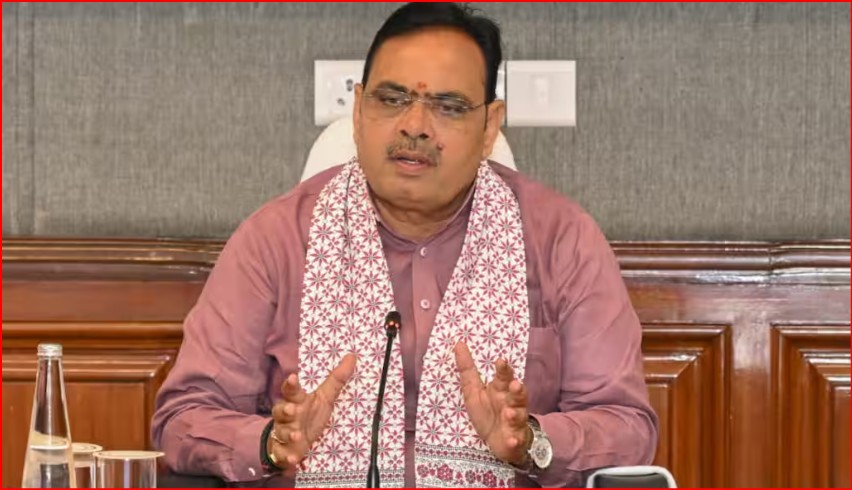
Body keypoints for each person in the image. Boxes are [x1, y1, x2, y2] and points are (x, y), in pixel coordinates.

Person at [152, 3, 658, 487]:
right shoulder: (276, 240)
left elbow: (626, 426)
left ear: (489, 126)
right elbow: (183, 418)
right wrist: (268, 442)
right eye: (391, 100)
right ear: (358, 111)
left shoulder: (560, 241)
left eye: (448, 106)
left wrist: (531, 442)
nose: (414, 126)